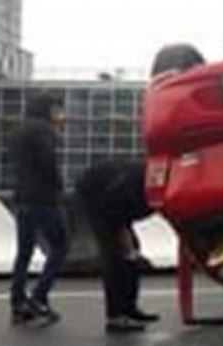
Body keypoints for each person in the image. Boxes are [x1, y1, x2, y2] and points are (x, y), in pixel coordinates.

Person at [76, 159, 160, 332]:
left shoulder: (157, 188)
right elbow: (113, 207)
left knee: (133, 250)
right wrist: (122, 232)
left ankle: (129, 308)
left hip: (117, 198)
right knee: (114, 254)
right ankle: (115, 316)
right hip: (97, 195)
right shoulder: (135, 187)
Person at [9, 92, 69, 325]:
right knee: (60, 246)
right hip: (44, 199)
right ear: (48, 110)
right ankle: (39, 296)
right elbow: (48, 163)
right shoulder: (44, 131)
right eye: (57, 110)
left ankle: (17, 302)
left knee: (24, 252)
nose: (60, 115)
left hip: (21, 196)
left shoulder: (19, 131)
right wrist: (58, 188)